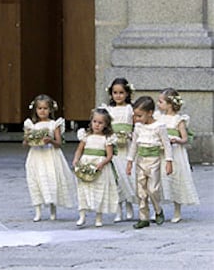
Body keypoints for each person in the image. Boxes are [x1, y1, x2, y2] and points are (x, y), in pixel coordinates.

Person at [23, 94, 76, 222]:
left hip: (50, 156)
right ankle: (38, 211)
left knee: (51, 179)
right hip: (36, 156)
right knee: (36, 181)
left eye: (45, 108)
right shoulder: (31, 125)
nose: (42, 111)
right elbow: (25, 143)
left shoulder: (54, 124)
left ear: (51, 110)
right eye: (40, 108)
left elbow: (59, 143)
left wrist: (50, 141)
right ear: (35, 110)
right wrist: (30, 140)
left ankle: (53, 209)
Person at [126, 96, 173, 229]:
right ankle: (143, 217)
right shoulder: (138, 127)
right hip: (140, 161)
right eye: (135, 116)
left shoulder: (159, 127)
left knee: (153, 189)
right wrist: (130, 161)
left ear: (150, 113)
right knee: (141, 190)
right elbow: (134, 145)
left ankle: (158, 210)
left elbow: (167, 145)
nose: (136, 119)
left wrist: (169, 161)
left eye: (139, 116)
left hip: (154, 161)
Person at [155, 88, 199, 223]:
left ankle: (177, 210)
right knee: (158, 179)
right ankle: (157, 210)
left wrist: (177, 140)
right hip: (161, 153)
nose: (158, 104)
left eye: (160, 101)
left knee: (175, 178)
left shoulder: (178, 120)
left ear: (169, 104)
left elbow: (185, 138)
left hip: (175, 153)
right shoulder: (158, 117)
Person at [72, 108, 119, 227]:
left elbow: (109, 156)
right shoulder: (86, 136)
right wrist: (76, 160)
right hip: (86, 163)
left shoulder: (107, 138)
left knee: (99, 189)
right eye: (95, 122)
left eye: (100, 123)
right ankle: (82, 215)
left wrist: (101, 164)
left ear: (106, 124)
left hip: (99, 166)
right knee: (83, 189)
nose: (97, 125)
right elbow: (79, 150)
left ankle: (99, 217)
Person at [102, 78, 137, 222]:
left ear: (127, 93)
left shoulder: (131, 109)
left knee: (129, 177)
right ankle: (118, 209)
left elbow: (135, 126)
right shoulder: (108, 110)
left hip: (128, 147)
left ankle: (130, 206)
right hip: (114, 148)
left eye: (121, 93)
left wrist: (130, 135)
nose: (118, 96)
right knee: (116, 178)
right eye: (115, 93)